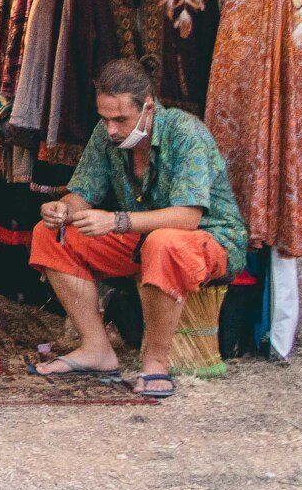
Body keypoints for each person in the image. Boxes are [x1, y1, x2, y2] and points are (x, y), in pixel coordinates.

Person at [28, 58, 248, 399]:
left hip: (209, 239)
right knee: (48, 234)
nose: (111, 129)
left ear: (148, 108)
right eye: (105, 119)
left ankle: (155, 360)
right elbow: (82, 193)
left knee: (162, 242)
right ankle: (96, 348)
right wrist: (62, 209)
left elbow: (188, 218)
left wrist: (116, 221)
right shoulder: (107, 134)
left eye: (120, 120)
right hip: (144, 237)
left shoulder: (186, 132)